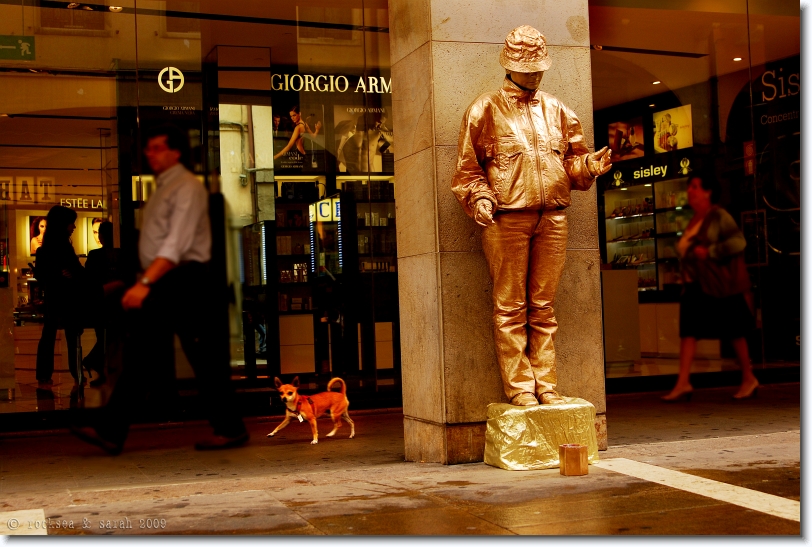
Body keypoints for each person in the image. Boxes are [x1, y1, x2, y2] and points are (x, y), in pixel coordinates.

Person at [451, 25, 612, 407]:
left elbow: (571, 165)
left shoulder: (558, 110)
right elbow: (466, 170)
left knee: (544, 308)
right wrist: (481, 199)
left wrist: (588, 166)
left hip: (553, 217)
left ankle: (548, 386)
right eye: (529, 68)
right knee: (510, 308)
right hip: (507, 219)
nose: (536, 74)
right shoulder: (484, 109)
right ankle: (521, 389)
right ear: (510, 66)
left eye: (540, 67)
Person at [71, 124, 248, 454]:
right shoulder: (165, 187)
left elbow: (175, 243)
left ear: (176, 152)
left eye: (156, 148)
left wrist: (145, 283)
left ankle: (230, 427)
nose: (149, 153)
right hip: (168, 280)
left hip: (183, 281)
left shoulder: (185, 188)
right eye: (148, 148)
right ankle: (112, 430)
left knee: (198, 358)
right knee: (144, 356)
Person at [661, 174, 759, 402]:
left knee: (734, 331)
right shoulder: (695, 219)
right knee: (689, 332)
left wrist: (711, 252)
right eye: (690, 187)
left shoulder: (718, 216)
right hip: (696, 285)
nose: (690, 191)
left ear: (708, 192)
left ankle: (749, 377)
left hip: (718, 285)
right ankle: (683, 382)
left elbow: (739, 242)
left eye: (695, 187)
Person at [34, 206, 86, 388]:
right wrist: (65, 274)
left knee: (49, 335)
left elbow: (42, 275)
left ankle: (44, 374)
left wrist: (57, 275)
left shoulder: (46, 249)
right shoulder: (65, 248)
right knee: (72, 337)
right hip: (69, 298)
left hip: (54, 298)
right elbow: (78, 272)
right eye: (72, 223)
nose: (74, 227)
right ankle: (76, 371)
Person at [81, 221, 123, 386]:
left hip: (101, 301)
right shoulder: (121, 254)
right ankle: (101, 367)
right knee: (113, 337)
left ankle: (97, 365)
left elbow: (89, 279)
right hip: (116, 301)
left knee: (105, 337)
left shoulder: (95, 255)